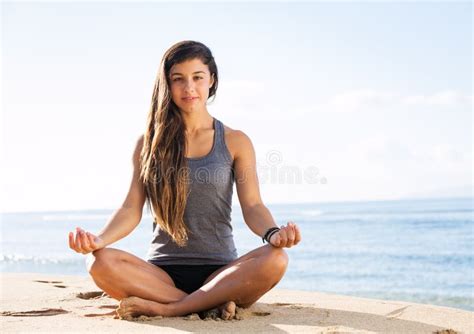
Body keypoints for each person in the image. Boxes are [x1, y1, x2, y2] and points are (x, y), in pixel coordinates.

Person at [68, 40, 302, 320]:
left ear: (211, 81)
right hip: (161, 275)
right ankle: (205, 304)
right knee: (98, 261)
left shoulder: (235, 140)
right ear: (167, 84)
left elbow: (252, 205)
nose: (189, 88)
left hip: (221, 272)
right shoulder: (148, 144)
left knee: (275, 258)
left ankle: (172, 308)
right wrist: (99, 239)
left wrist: (273, 233)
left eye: (197, 77)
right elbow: (131, 209)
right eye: (178, 79)